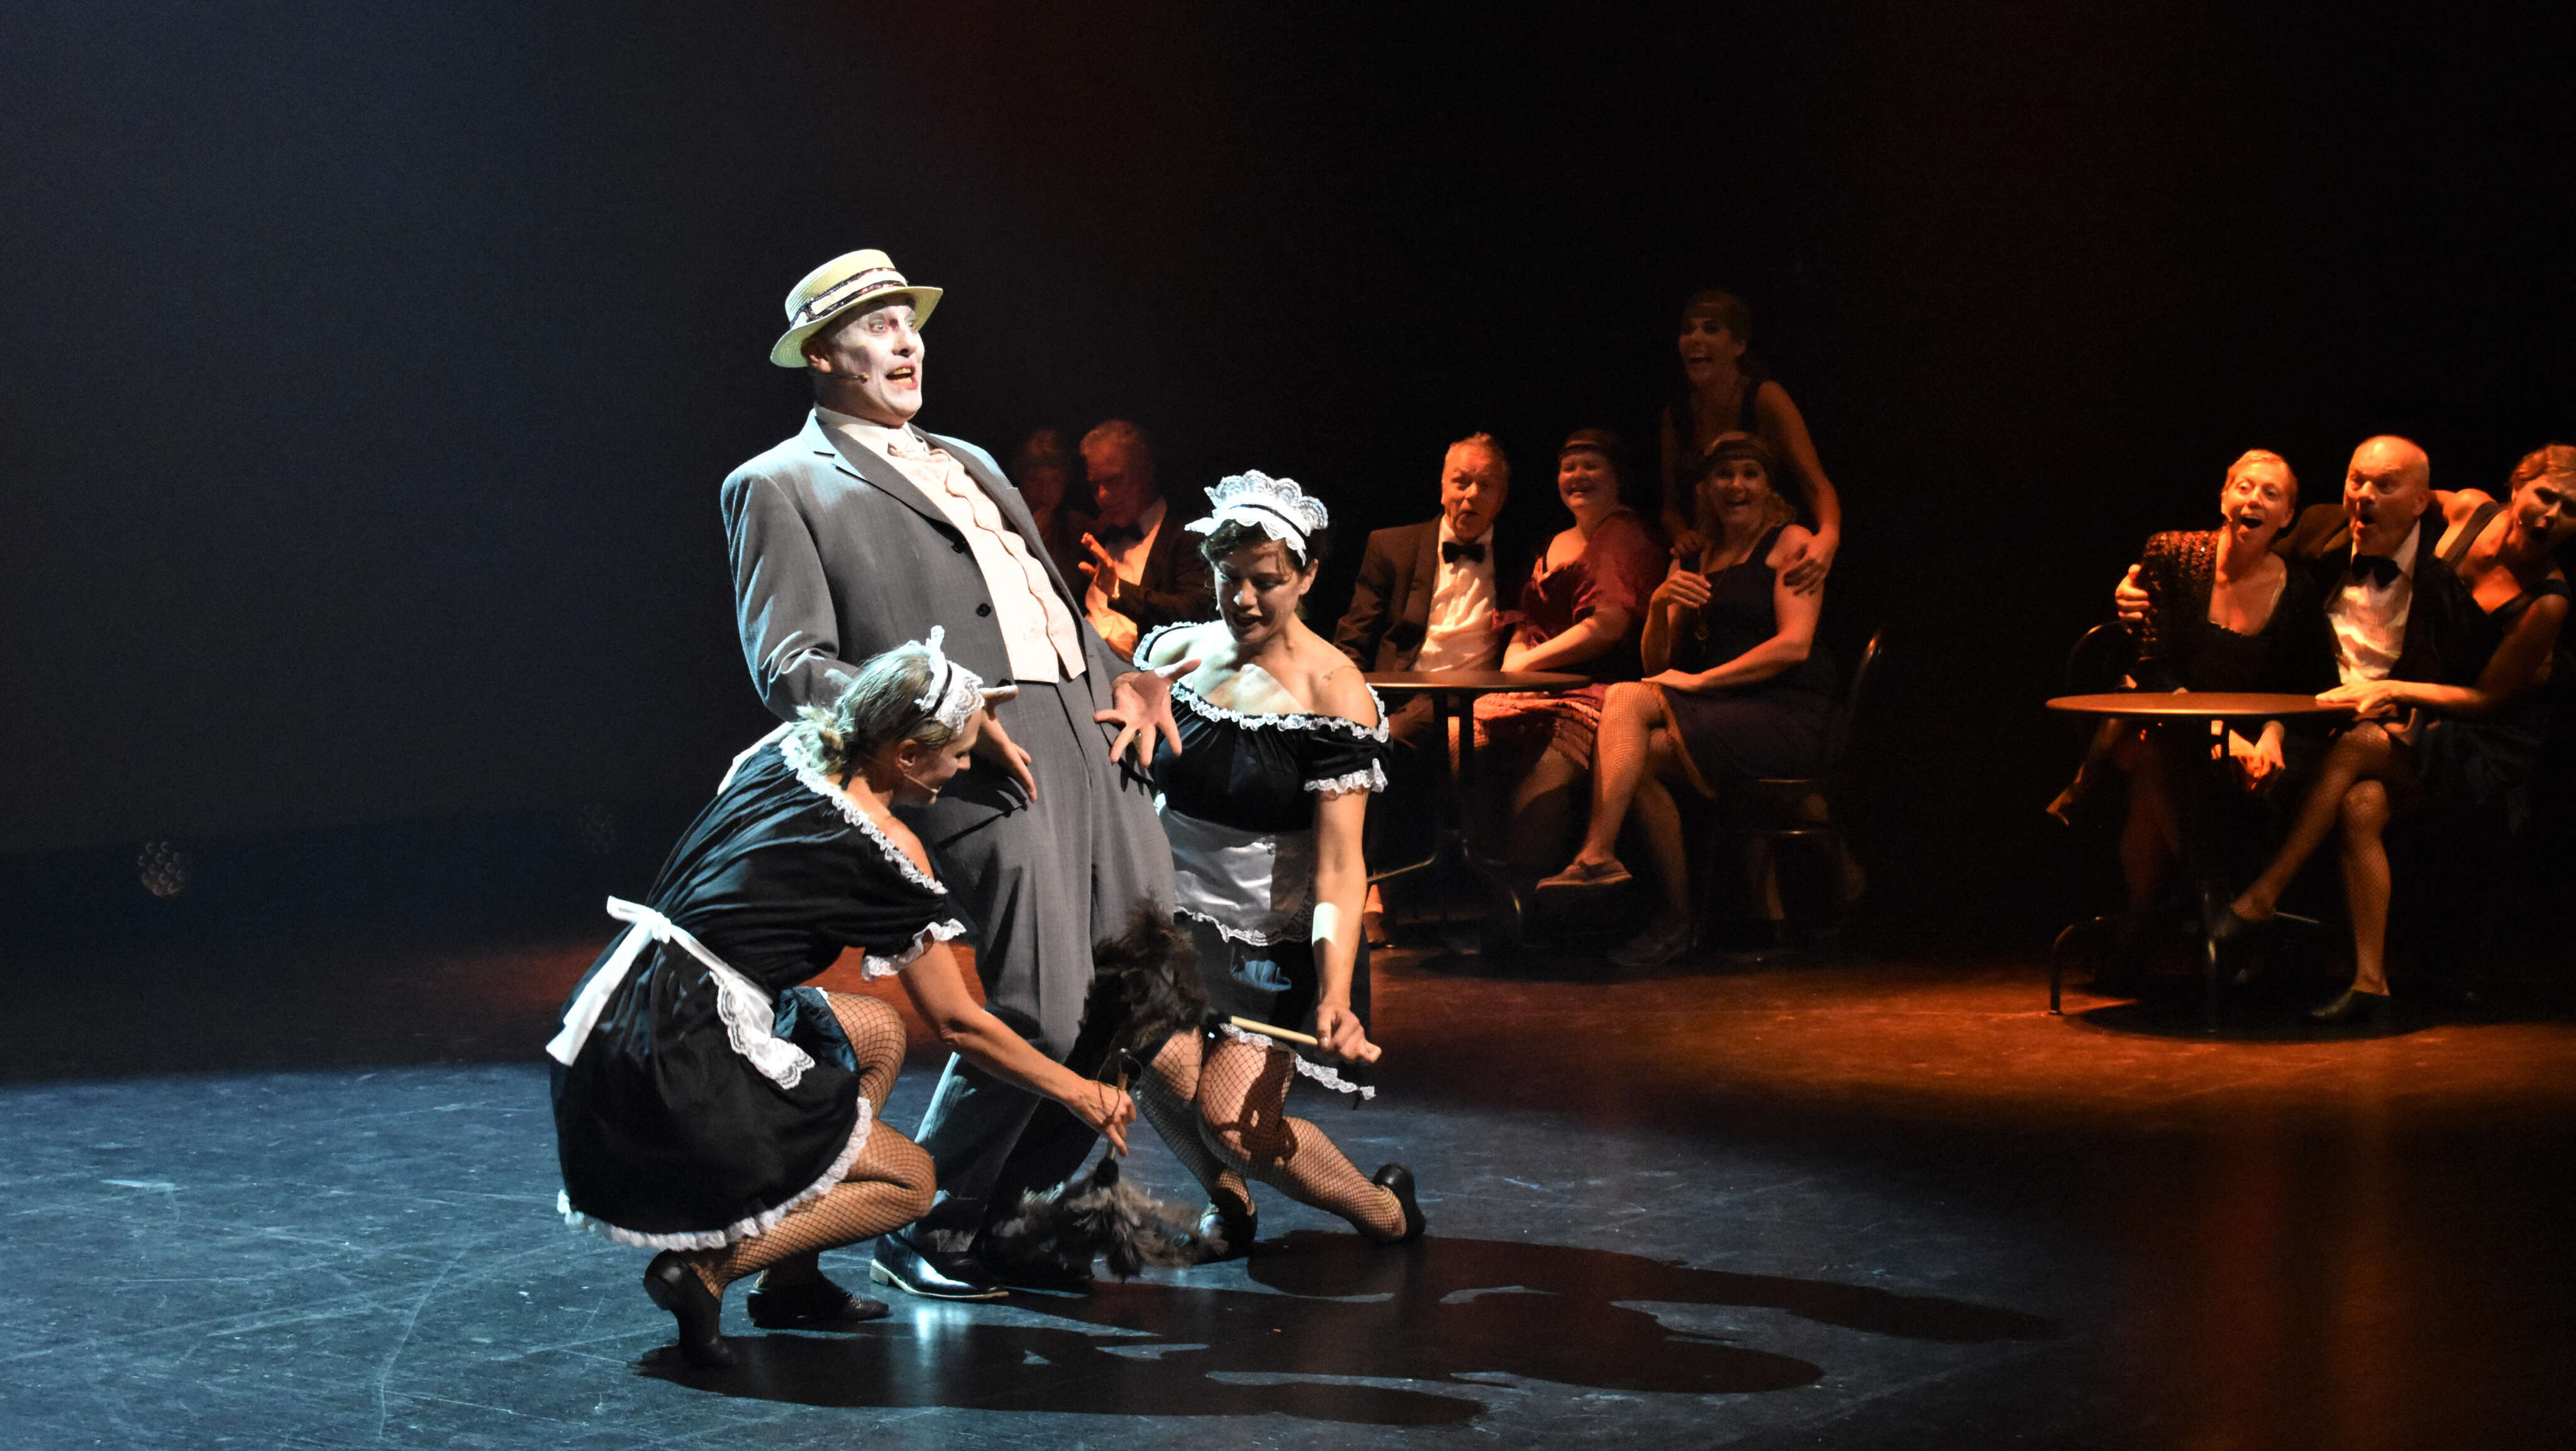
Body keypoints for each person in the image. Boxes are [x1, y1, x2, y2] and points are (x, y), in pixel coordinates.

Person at [721, 248, 1185, 1301]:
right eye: (877, 326)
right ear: (822, 354)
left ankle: (1008, 1217)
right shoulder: (777, 483)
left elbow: (1048, 606)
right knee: (1042, 1011)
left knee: (1146, 992)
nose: (906, 342)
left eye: (911, 322)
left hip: (1094, 736)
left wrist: (1126, 671)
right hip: (978, 758)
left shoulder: (970, 457)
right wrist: (941, 716)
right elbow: (790, 666)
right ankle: (927, 1216)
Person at [548, 636, 1139, 1367]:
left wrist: (965, 711)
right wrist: (1078, 1091)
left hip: (621, 1008)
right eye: (957, 754)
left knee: (876, 1032)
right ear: (907, 754)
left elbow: (901, 700)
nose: (963, 769)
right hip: (688, 1049)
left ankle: (790, 1281)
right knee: (910, 1184)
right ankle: (705, 1272)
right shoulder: (883, 848)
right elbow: (959, 1023)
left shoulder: (785, 751)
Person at [1130, 471, 1425, 1251]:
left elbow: (1339, 867)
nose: (1245, 599)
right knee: (1159, 1070)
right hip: (1169, 918)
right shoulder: (1172, 653)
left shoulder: (1334, 694)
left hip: (1267, 939)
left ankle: (1385, 1210)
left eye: (1267, 581)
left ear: (1308, 576)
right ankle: (1228, 1206)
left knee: (1235, 1123)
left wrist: (1335, 993)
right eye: (1230, 578)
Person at [2216, 443, 2573, 1021]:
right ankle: (2371, 983)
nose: (2552, 515)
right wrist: (2156, 576)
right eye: (2546, 496)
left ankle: (2263, 895)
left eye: (2571, 509)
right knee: (2361, 803)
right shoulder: (2465, 511)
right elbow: (2384, 498)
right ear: (2516, 488)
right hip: (2430, 715)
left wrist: (2396, 691)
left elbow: (2487, 699)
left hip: (2483, 735)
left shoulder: (2549, 600)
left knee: (2359, 744)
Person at [1536, 433, 1835, 966]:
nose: (1736, 486)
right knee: (1637, 758)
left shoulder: (1790, 541)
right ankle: (1674, 916)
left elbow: (1795, 644)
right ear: (1706, 488)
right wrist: (1658, 606)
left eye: (1750, 474)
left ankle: (1597, 853)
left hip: (1784, 711)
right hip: (1723, 712)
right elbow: (1658, 666)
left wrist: (1703, 681)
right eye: (1724, 475)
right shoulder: (1693, 558)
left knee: (1627, 701)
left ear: (1768, 486)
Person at [2051, 450, 2338, 976]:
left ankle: (2148, 919)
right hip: (2161, 715)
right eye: (2243, 487)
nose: (2253, 499)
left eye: (2270, 493)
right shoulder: (2174, 553)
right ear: (2223, 498)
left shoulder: (2294, 586)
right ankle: (2213, 900)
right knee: (2157, 748)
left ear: (2287, 517)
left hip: (2246, 737)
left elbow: (2302, 686)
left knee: (2159, 776)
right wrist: (2218, 731)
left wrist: (2271, 734)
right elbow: (2150, 666)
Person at [1474, 429, 1670, 874]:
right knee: (1458, 743)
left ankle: (1527, 895)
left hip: (1591, 689)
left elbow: (1606, 627)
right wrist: (1514, 662)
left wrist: (1526, 665)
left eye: (1591, 466)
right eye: (1569, 467)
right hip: (1531, 687)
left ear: (1617, 476)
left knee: (1546, 770)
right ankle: (1479, 878)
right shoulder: (1551, 542)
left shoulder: (1624, 534)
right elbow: (1525, 622)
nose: (1578, 475)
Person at [1655, 291, 1842, 592]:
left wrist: (1828, 537)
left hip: (1769, 551)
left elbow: (1814, 483)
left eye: (1711, 328)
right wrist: (1681, 534)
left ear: (1739, 345)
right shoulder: (1677, 415)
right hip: (1712, 553)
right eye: (1688, 330)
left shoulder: (1765, 397)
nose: (1695, 338)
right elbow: (1670, 508)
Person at [1076, 420, 1214, 659]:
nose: (1102, 496)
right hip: (1085, 665)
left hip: (1143, 674)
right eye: (1095, 485)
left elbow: (1197, 613)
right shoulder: (1099, 535)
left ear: (1146, 472)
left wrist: (1117, 590)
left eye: (1114, 480)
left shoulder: (1188, 534)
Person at [1014, 428, 1093, 586]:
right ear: (1021, 478)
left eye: (1055, 480)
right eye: (1035, 479)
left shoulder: (1076, 525)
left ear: (1065, 481)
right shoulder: (1000, 522)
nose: (1045, 490)